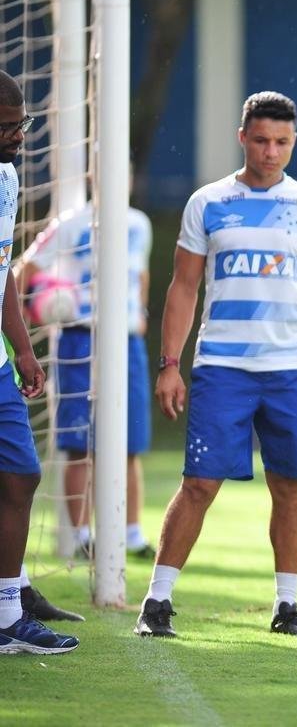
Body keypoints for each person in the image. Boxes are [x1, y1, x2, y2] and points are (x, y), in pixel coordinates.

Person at [134, 91, 297, 639]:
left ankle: (287, 606)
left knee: (289, 486)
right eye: (261, 140)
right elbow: (183, 287)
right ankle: (156, 602)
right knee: (200, 484)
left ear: (294, 141)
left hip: (292, 369)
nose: (271, 151)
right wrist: (169, 364)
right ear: (242, 138)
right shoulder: (207, 202)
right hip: (221, 366)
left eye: (281, 142)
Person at [16, 200, 156, 560]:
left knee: (129, 443)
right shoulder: (69, 222)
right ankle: (80, 535)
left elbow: (140, 272)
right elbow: (26, 267)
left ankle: (133, 534)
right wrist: (37, 303)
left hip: (126, 341)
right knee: (80, 444)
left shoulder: (138, 222)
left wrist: (140, 313)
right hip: (79, 337)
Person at [0, 69, 79, 654]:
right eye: (8, 127)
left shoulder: (7, 178)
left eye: (22, 123)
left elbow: (3, 271)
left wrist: (23, 349)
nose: (19, 136)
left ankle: (7, 613)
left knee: (22, 477)